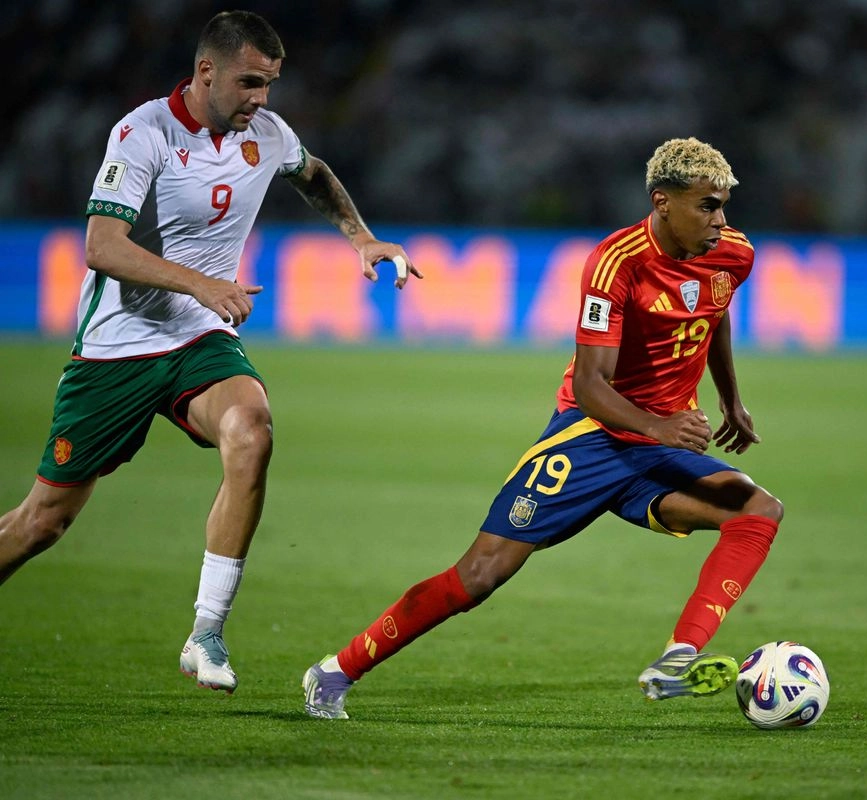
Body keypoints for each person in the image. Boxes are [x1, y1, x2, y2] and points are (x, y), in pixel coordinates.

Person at [0, 10, 418, 695]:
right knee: (41, 523)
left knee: (251, 430)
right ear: (206, 72)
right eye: (250, 82)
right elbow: (102, 246)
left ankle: (207, 632)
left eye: (270, 85)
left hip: (200, 338)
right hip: (118, 349)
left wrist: (361, 237)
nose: (262, 99)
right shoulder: (143, 134)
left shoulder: (268, 133)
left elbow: (313, 173)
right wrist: (202, 283)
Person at [302, 137, 783, 719]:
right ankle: (335, 671)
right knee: (478, 576)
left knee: (757, 511)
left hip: (660, 445)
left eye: (724, 205)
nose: (721, 219)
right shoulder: (616, 263)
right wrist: (659, 427)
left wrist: (733, 401)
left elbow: (715, 312)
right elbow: (589, 386)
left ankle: (678, 657)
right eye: (707, 206)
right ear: (663, 202)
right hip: (595, 437)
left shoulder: (731, 253)